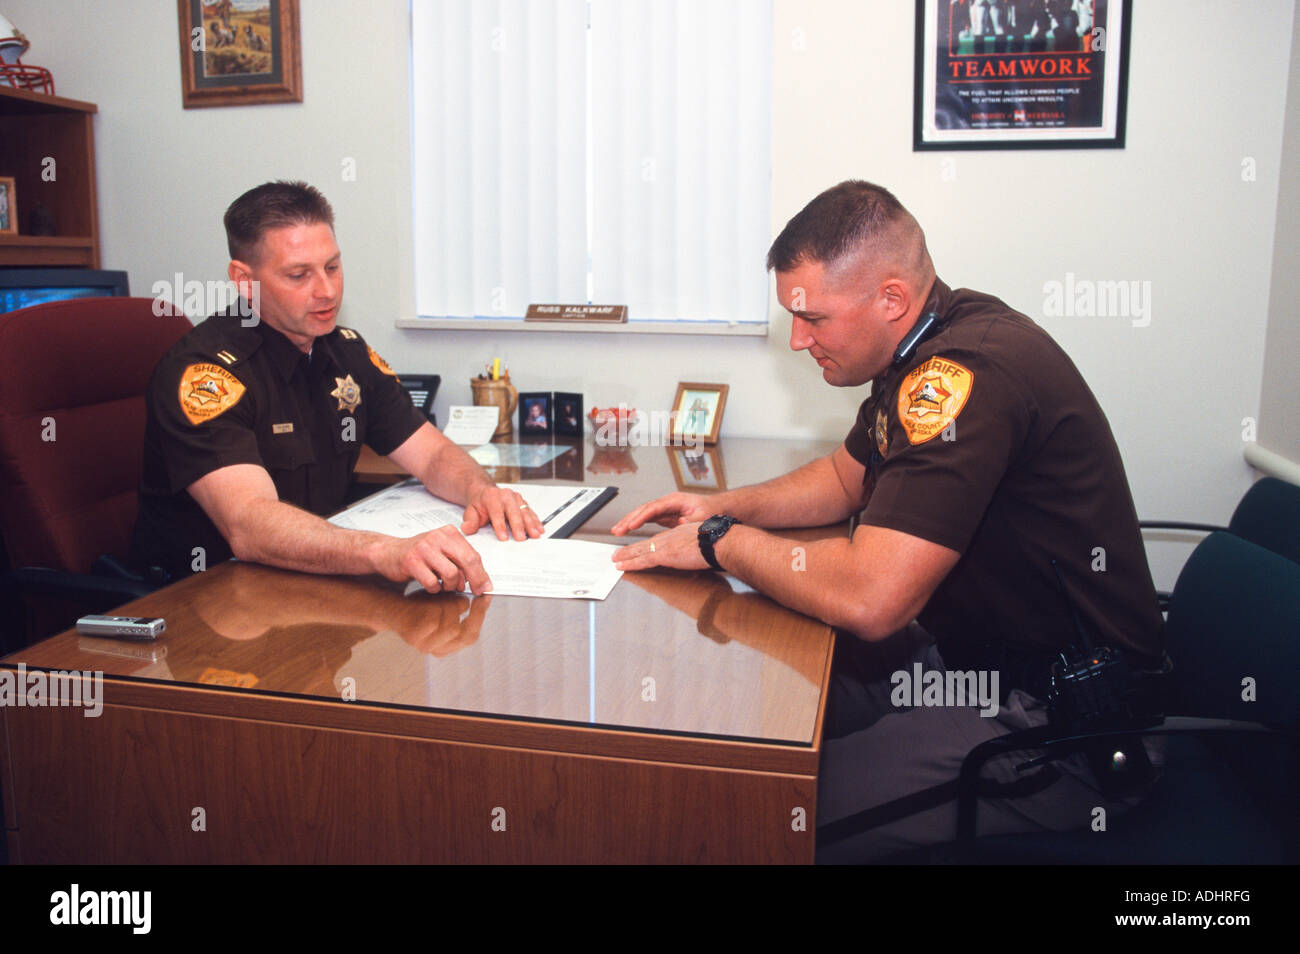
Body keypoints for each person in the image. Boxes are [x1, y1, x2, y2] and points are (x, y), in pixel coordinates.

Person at [611, 180, 1166, 861]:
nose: (796, 340)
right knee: (756, 707)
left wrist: (722, 543)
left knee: (763, 816)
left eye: (814, 318)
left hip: (1064, 722)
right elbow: (846, 478)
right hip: (967, 661)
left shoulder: (965, 377)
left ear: (892, 300)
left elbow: (872, 599)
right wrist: (726, 506)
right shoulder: (920, 350)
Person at [131, 180, 541, 593]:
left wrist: (481, 491)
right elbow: (248, 524)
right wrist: (384, 551)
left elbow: (431, 453)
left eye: (332, 267)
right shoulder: (206, 374)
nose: (326, 291)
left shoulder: (344, 350)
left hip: (316, 578)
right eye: (298, 275)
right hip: (213, 600)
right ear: (244, 279)